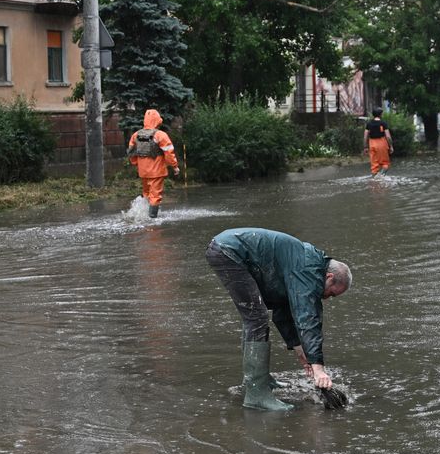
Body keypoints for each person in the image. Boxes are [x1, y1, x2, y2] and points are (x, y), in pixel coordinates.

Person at [205, 228, 353, 411]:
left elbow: (282, 309)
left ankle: (258, 379)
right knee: (256, 317)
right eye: (331, 293)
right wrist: (318, 368)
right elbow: (307, 318)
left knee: (255, 315)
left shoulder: (306, 267)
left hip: (228, 248)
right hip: (229, 252)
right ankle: (256, 394)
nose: (327, 298)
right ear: (329, 277)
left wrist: (300, 351)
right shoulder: (309, 271)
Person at [127, 109, 180, 218]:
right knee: (155, 195)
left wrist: (136, 163)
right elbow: (169, 152)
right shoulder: (160, 135)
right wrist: (174, 166)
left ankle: (143, 214)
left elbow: (131, 152)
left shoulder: (136, 135)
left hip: (143, 171)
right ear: (157, 121)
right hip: (156, 171)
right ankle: (152, 218)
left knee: (146, 193)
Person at [363, 107, 393, 176]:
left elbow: (365, 137)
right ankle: (382, 176)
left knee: (374, 166)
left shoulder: (369, 124)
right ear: (380, 114)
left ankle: (375, 179)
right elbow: (388, 136)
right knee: (385, 163)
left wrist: (365, 147)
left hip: (372, 144)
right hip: (382, 144)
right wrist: (391, 146)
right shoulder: (383, 123)